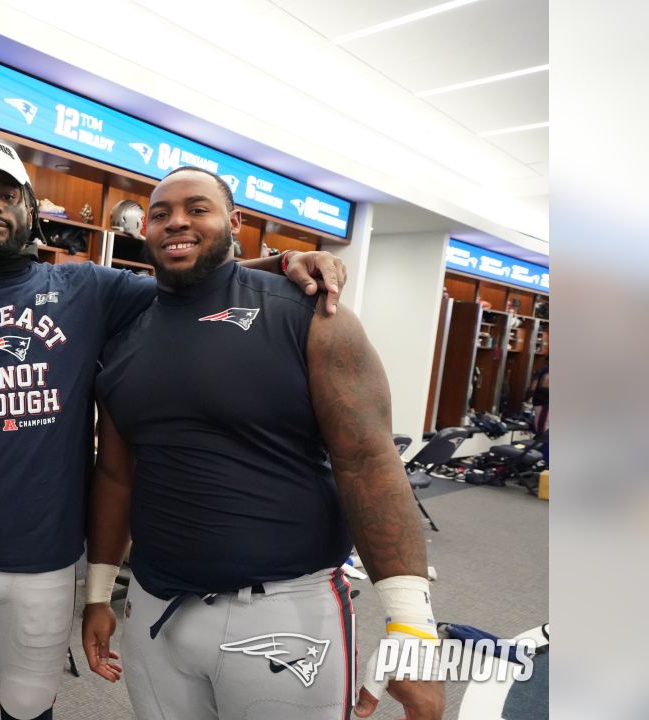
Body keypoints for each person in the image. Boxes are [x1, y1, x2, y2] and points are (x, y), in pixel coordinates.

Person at [0, 140, 348, 720]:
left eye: (7, 194)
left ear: (32, 210)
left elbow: (197, 275)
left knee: (28, 706)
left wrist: (285, 265)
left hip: (45, 552)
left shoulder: (87, 289)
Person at [81, 165, 444, 720]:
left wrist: (412, 627)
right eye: (160, 213)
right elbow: (117, 475)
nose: (176, 221)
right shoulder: (124, 338)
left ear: (234, 220)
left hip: (285, 613)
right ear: (143, 231)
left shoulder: (311, 313)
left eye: (196, 208)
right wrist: (99, 592)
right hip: (156, 612)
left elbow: (369, 463)